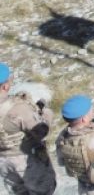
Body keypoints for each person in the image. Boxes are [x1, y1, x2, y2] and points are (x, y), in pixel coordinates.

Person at [0, 62, 56, 195]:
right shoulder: (18, 108)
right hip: (25, 160)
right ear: (5, 86)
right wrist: (46, 114)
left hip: (3, 161)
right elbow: (41, 131)